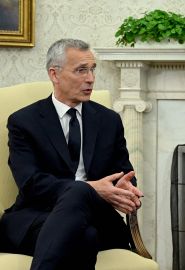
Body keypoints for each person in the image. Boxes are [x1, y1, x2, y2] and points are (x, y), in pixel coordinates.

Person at [0, 39, 143, 270]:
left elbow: (125, 173)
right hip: (37, 218)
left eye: (92, 69)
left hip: (97, 217)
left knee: (81, 204)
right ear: (54, 74)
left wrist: (126, 187)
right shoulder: (24, 121)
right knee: (84, 236)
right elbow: (30, 183)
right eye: (81, 70)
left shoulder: (108, 120)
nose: (90, 79)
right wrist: (90, 188)